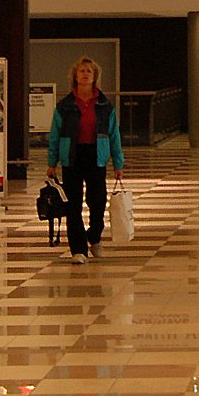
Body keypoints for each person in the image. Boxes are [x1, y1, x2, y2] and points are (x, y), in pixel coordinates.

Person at [47, 56, 123, 263]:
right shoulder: (65, 106)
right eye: (81, 71)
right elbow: (55, 135)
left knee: (97, 201)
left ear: (95, 76)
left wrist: (118, 163)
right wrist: (52, 162)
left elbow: (114, 135)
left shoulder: (105, 106)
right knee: (72, 204)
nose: (85, 74)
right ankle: (78, 249)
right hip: (72, 156)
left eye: (89, 71)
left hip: (96, 156)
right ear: (75, 76)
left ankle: (95, 235)